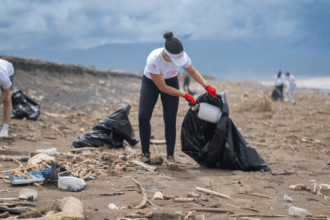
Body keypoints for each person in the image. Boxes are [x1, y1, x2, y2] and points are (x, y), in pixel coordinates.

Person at [139, 31, 217, 168]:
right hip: (151, 83)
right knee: (143, 117)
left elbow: (192, 71)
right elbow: (162, 87)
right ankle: (145, 153)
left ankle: (170, 156)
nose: (178, 63)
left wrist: (206, 85)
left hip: (171, 81)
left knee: (170, 119)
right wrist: (184, 94)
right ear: (166, 54)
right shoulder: (154, 60)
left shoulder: (182, 55)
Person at [0, 58, 15, 137]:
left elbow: (6, 90)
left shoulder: (2, 75)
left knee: (7, 98)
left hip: (8, 71)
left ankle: (5, 129)